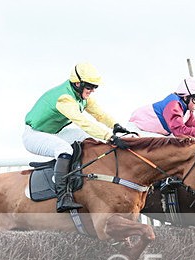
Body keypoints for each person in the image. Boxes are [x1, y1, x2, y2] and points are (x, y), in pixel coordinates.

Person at [23, 62, 125, 212]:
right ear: (78, 83)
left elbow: (99, 114)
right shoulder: (65, 99)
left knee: (84, 138)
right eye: (89, 87)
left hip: (54, 133)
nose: (92, 91)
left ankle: (77, 176)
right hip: (34, 135)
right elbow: (83, 122)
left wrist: (115, 125)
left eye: (94, 87)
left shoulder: (81, 95)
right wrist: (109, 136)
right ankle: (62, 196)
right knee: (64, 148)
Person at [127, 77, 195, 138]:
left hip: (155, 133)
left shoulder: (187, 111)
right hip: (137, 130)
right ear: (186, 97)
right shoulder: (173, 104)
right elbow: (180, 132)